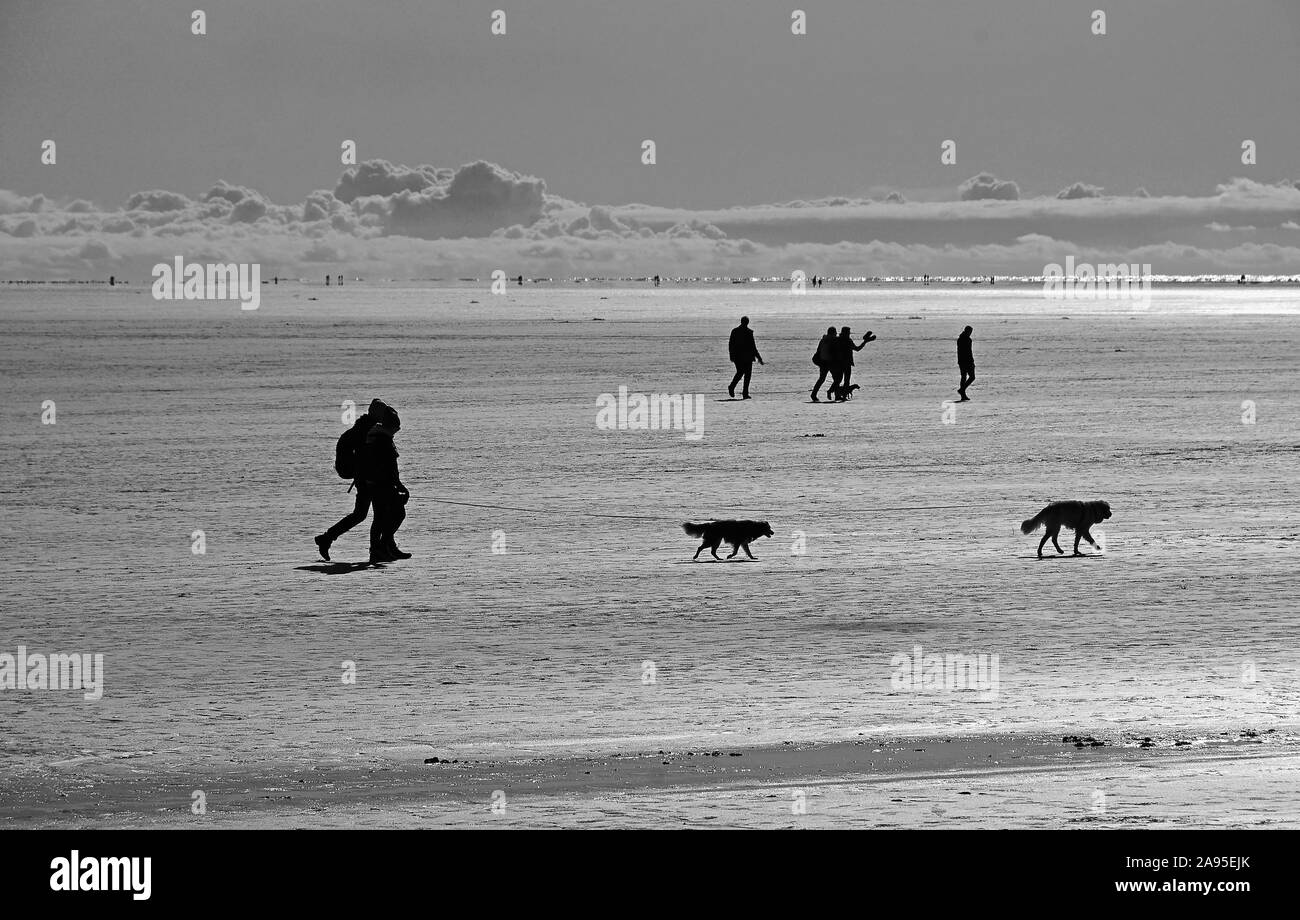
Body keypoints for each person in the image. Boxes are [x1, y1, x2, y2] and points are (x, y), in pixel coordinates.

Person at [316, 398, 389, 561]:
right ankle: (378, 550)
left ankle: (327, 538)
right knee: (373, 514)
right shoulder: (367, 429)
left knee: (362, 514)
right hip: (366, 477)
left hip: (363, 475)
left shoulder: (363, 426)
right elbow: (367, 456)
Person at [359, 405, 410, 563]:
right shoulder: (383, 440)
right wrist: (399, 486)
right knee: (397, 514)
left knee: (380, 518)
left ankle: (382, 548)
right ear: (390, 427)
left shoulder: (375, 437)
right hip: (382, 485)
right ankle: (381, 547)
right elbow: (390, 467)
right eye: (397, 428)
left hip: (375, 483)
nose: (397, 431)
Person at [828, 326, 876, 401]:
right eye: (848, 333)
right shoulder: (848, 340)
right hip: (845, 363)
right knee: (845, 380)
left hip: (839, 363)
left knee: (839, 380)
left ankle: (837, 395)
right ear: (846, 333)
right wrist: (865, 342)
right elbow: (857, 349)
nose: (849, 334)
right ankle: (841, 395)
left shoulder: (837, 340)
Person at [727, 316, 764, 399]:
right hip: (741, 356)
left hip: (745, 357)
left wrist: (759, 357)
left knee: (746, 374)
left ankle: (744, 393)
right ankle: (733, 387)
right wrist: (759, 358)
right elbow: (753, 347)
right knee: (742, 373)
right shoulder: (741, 332)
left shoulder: (739, 331)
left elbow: (752, 346)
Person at [810, 326, 838, 401]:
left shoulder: (823, 340)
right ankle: (836, 394)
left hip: (822, 361)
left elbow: (818, 350)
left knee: (822, 379)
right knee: (836, 379)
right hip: (828, 362)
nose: (836, 334)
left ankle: (813, 395)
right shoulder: (832, 340)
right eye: (835, 333)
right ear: (833, 333)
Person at [957, 325, 975, 401]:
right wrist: (972, 361)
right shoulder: (967, 339)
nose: (971, 333)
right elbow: (968, 352)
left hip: (961, 361)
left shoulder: (960, 338)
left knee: (964, 377)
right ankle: (962, 390)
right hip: (967, 361)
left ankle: (962, 394)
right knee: (972, 377)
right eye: (970, 332)